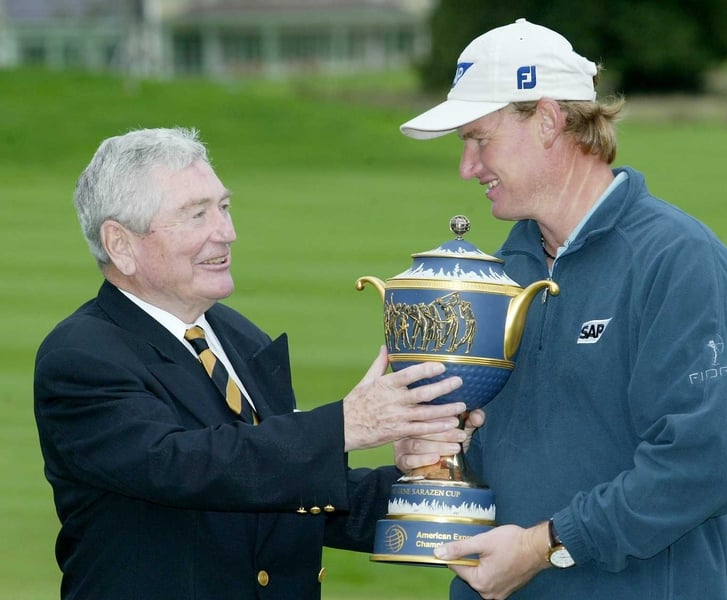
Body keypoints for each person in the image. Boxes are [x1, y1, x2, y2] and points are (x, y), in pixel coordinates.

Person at [394, 17, 727, 600]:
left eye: (480, 139)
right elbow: (501, 457)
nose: (467, 167)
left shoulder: (679, 260)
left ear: (548, 120)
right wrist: (434, 455)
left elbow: (714, 459)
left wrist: (547, 544)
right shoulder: (499, 275)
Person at [32, 127, 467, 600]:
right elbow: (184, 465)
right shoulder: (82, 357)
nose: (227, 232)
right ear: (120, 244)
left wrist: (432, 481)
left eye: (223, 207)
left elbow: (282, 487)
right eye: (196, 215)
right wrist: (345, 426)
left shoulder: (238, 336)